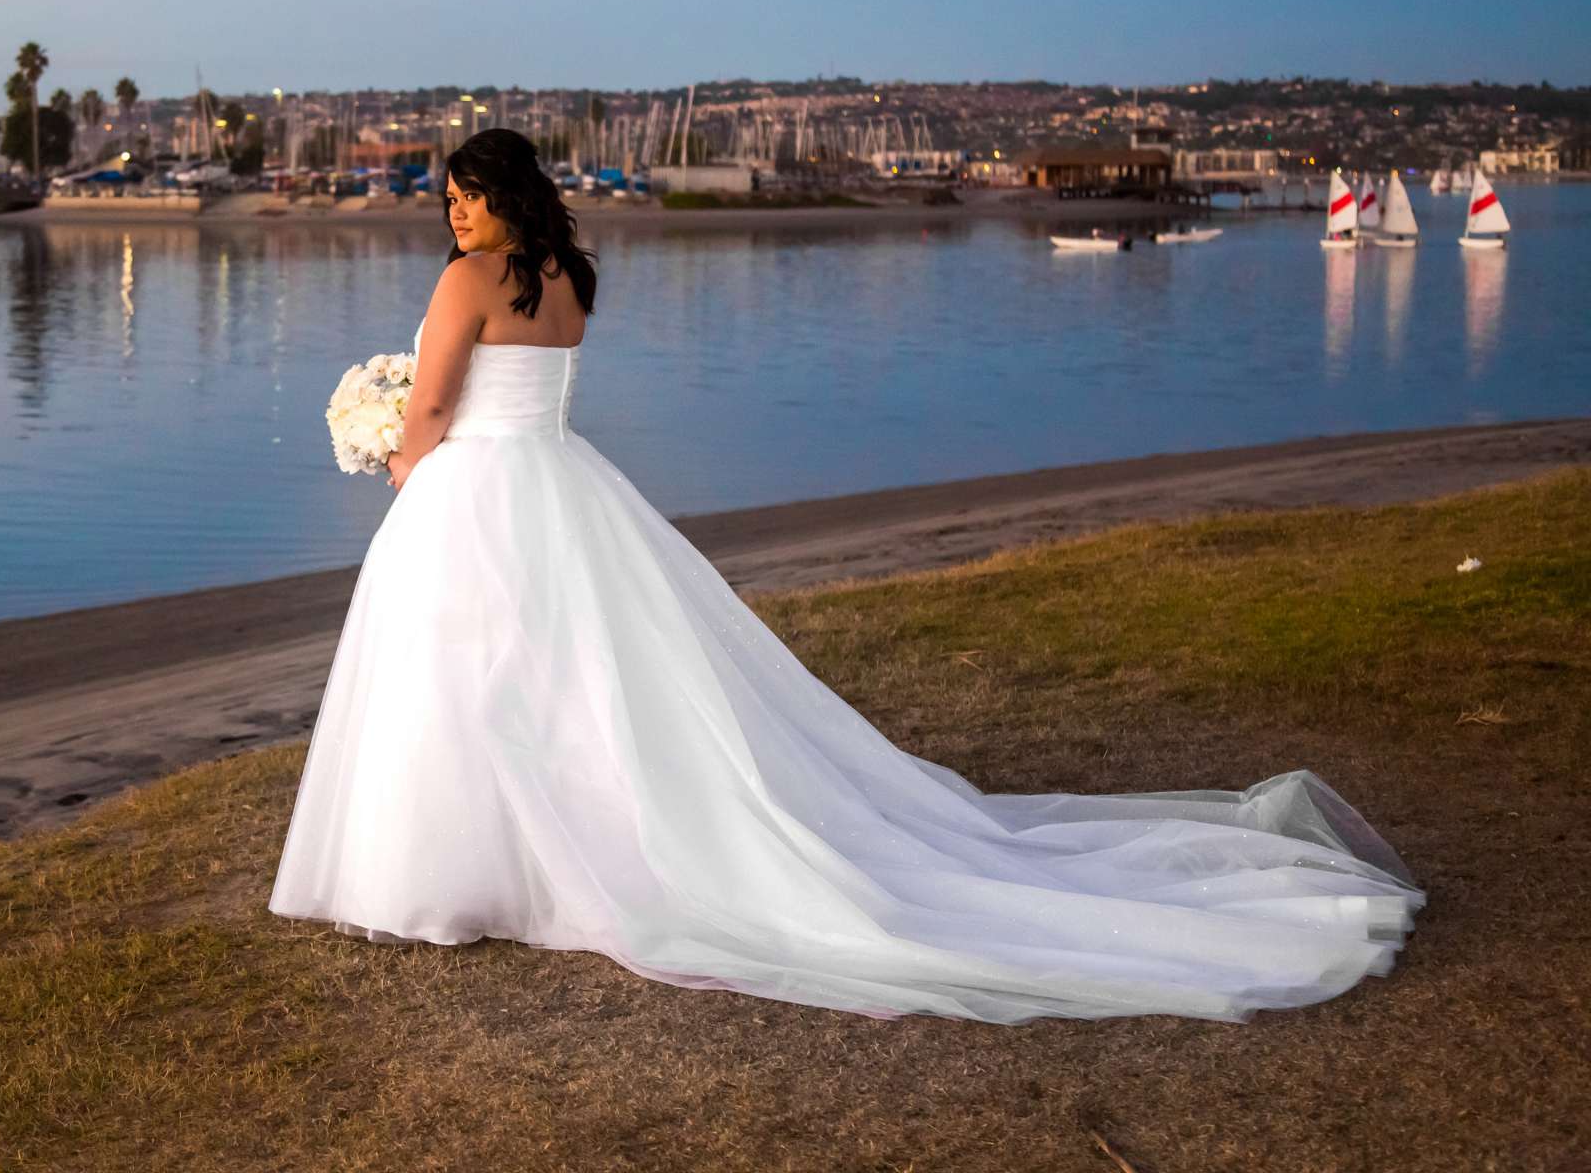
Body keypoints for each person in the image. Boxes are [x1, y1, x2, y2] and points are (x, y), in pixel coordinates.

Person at [267, 128, 1421, 1023]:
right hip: (566, 486)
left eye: (464, 196)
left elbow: (429, 408)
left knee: (471, 680)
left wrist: (394, 455)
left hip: (476, 491)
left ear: (500, 193)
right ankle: (519, 853)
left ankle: (462, 871)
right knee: (571, 678)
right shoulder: (572, 275)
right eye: (450, 201)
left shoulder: (469, 281)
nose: (455, 216)